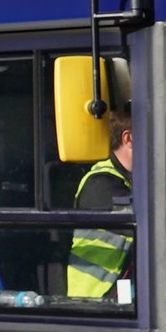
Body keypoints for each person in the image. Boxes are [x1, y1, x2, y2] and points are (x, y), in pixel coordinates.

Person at [67, 109, 135, 299]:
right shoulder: (100, 184)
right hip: (95, 301)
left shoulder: (131, 180)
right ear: (128, 139)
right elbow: (145, 220)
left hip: (122, 292)